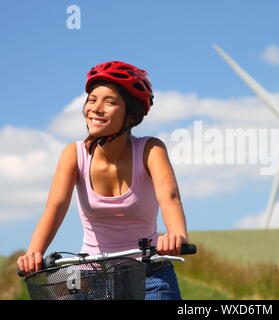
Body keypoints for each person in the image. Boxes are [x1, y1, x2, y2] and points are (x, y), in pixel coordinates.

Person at [17, 61, 189, 300]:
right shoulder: (73, 154)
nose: (96, 108)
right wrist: (34, 252)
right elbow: (55, 206)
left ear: (130, 115)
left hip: (148, 274)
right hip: (89, 276)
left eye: (110, 102)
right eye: (92, 99)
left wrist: (177, 236)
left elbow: (169, 196)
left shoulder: (150, 150)